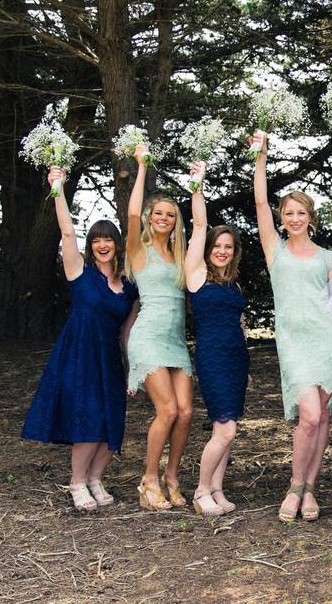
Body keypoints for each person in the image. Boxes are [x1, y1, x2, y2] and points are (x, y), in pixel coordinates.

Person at [21, 167, 139, 511]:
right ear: (92, 246)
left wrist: (132, 369)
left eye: (108, 239)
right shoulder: (79, 272)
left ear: (117, 244)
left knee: (111, 421)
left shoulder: (129, 287)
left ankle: (95, 478)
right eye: (97, 240)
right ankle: (76, 483)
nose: (103, 245)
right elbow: (67, 232)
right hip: (79, 353)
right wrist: (57, 188)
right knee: (87, 419)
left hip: (109, 358)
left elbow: (127, 331)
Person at [251, 131, 332, 523]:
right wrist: (261, 155)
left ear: (310, 218)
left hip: (327, 339)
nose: (294, 218)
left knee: (323, 416)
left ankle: (311, 487)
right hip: (293, 342)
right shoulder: (273, 250)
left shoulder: (327, 256)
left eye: (301, 213)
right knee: (308, 414)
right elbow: (259, 200)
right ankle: (295, 484)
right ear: (282, 218)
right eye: (288, 213)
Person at [125, 145, 194, 510]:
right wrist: (140, 167)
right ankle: (148, 480)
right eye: (159, 213)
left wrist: (197, 187)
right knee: (166, 410)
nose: (164, 218)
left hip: (175, 341)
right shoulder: (140, 250)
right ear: (152, 218)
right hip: (149, 337)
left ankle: (172, 476)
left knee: (185, 412)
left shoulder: (181, 255)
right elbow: (133, 211)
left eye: (171, 214)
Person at [183, 161, 250, 516]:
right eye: (217, 245)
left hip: (236, 358)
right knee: (225, 429)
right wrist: (198, 186)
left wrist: (246, 366)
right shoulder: (196, 276)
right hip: (212, 357)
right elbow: (198, 225)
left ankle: (218, 491)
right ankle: (200, 491)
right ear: (208, 248)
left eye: (228, 246)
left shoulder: (234, 283)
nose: (222, 251)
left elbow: (239, 324)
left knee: (229, 431)